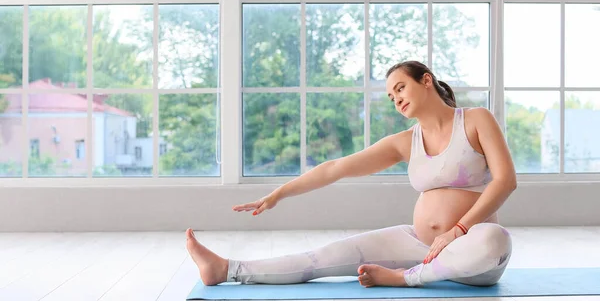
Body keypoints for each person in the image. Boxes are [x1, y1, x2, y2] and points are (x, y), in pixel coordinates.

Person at [185, 60, 517, 288]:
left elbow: (505, 181)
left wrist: (457, 231)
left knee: (495, 239)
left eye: (400, 88)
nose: (396, 99)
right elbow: (335, 168)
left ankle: (405, 278)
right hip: (419, 244)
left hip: (468, 253)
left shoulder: (475, 120)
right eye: (391, 96)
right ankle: (227, 269)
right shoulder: (404, 142)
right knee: (321, 257)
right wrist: (278, 194)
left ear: (425, 80)